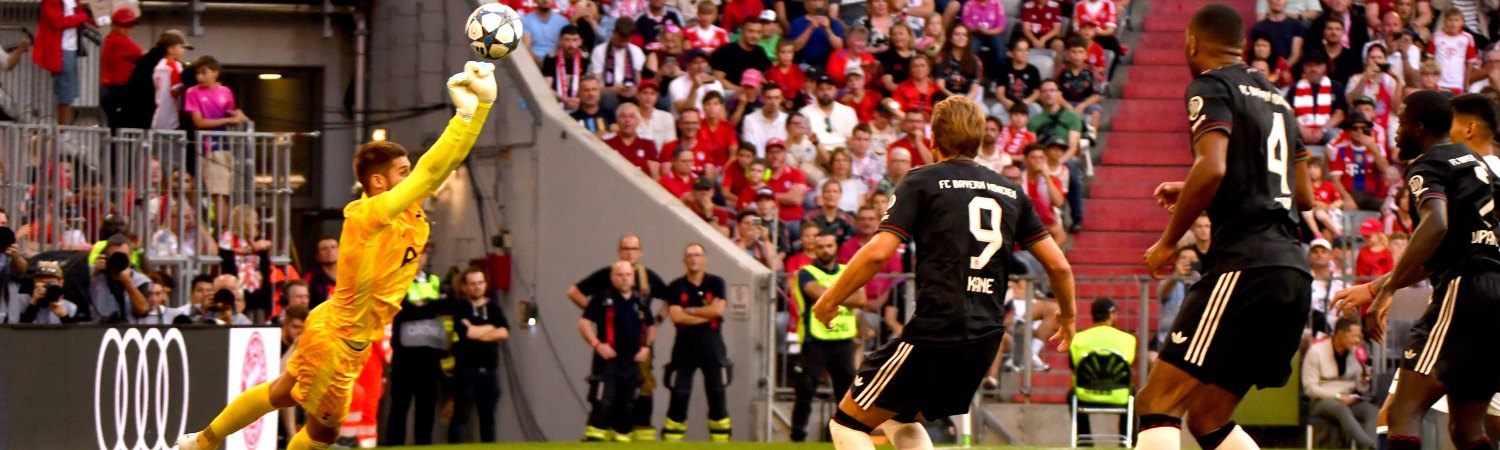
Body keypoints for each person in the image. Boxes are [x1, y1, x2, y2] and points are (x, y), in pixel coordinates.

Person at [174, 61, 495, 450]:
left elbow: (442, 166)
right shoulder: (369, 214)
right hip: (342, 340)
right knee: (319, 428)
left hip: (337, 323)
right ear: (378, 182)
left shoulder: (406, 210)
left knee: (284, 394)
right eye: (402, 171)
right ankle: (204, 442)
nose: (411, 178)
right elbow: (429, 172)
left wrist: (478, 109)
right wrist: (463, 116)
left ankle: (202, 442)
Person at [808, 96, 1077, 449]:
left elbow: (877, 253)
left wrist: (830, 299)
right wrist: (1068, 315)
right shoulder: (1011, 191)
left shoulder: (922, 181)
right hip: (986, 339)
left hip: (937, 330)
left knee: (847, 424)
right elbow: (1058, 265)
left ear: (933, 139)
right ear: (979, 140)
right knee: (898, 418)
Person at [1137, 6, 1315, 450]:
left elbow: (1212, 166)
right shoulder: (1278, 97)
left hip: (1245, 266)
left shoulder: (1210, 85)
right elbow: (1304, 195)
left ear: (1193, 43)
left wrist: (1166, 243)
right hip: (1291, 269)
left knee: (1156, 401)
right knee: (1208, 416)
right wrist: (1200, 186)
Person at [565, 235, 669, 439]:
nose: (630, 252)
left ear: (641, 252)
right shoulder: (605, 281)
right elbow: (574, 293)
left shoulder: (646, 281)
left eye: (634, 248)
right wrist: (597, 314)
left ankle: (636, 431)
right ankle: (599, 435)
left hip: (637, 353)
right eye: (625, 248)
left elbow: (668, 301)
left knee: (637, 393)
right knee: (604, 398)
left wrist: (656, 323)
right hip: (609, 354)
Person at [789, 232, 868, 442]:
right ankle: (797, 438)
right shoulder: (806, 272)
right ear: (815, 249)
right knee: (805, 391)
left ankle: (846, 439)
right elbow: (819, 294)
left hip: (843, 340)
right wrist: (843, 295)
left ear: (836, 247)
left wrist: (832, 296)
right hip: (815, 340)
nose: (826, 250)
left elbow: (861, 299)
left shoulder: (845, 270)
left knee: (846, 396)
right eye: (821, 246)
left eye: (829, 246)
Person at [660, 243, 732, 442]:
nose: (693, 259)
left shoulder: (717, 282)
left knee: (717, 395)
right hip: (684, 346)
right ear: (684, 260)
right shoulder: (676, 285)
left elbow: (718, 311)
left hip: (713, 345)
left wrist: (689, 310)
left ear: (704, 258)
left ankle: (720, 443)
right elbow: (676, 317)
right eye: (690, 255)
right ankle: (672, 442)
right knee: (679, 395)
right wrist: (706, 315)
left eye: (697, 255)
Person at [580, 261, 656, 442]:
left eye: (628, 275)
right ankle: (594, 440)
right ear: (612, 277)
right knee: (603, 403)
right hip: (608, 362)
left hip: (632, 363)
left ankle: (622, 438)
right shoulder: (602, 298)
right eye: (620, 275)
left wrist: (647, 347)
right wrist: (597, 345)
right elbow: (584, 324)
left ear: (633, 277)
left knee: (628, 405)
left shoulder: (640, 300)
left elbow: (651, 326)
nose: (624, 279)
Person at [383, 246, 448, 446]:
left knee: (426, 406)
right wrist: (431, 306)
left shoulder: (435, 281)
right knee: (400, 405)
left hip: (429, 356)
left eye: (420, 254)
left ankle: (423, 444)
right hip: (405, 356)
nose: (417, 259)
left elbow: (447, 304)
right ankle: (394, 444)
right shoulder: (397, 284)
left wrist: (422, 307)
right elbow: (403, 311)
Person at [449, 268, 509, 443]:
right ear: (465, 287)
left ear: (486, 284)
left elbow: (504, 332)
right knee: (461, 415)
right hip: (466, 370)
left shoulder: (493, 307)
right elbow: (466, 333)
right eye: (472, 283)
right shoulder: (460, 307)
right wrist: (490, 328)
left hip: (490, 371)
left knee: (488, 417)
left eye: (480, 283)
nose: (477, 287)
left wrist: (478, 331)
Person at [1303, 316, 1378, 447]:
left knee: (1372, 412)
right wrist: (1338, 396)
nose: (1357, 340)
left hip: (1349, 398)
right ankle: (1370, 446)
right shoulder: (1316, 352)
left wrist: (1364, 380)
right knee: (1340, 408)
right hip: (1322, 400)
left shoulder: (1355, 353)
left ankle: (1368, 446)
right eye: (1353, 336)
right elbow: (1310, 388)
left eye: (1359, 336)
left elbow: (1360, 387)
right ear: (1340, 334)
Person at [1069, 298, 1136, 443]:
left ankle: (1084, 441)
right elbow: (1127, 365)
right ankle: (1128, 439)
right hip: (1119, 395)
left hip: (1085, 395)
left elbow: (1074, 366)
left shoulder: (1077, 339)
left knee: (1071, 393)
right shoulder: (1128, 339)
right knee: (1133, 392)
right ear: (1111, 315)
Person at [34, 0, 92, 125]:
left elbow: (80, 19)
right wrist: (83, 16)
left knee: (69, 94)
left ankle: (65, 131)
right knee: (65, 95)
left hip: (71, 48)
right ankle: (63, 133)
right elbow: (58, 22)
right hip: (60, 49)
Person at [1289, 52, 1348, 145]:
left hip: (1327, 130)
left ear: (1324, 67)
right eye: (1309, 66)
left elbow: (1340, 114)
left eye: (1317, 65)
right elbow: (1289, 113)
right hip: (1301, 131)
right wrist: (1302, 130)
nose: (1313, 69)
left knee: (1336, 134)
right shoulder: (1294, 88)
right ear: (1304, 68)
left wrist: (1322, 130)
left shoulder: (1336, 86)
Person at [100, 9, 142, 129]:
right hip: (117, 91)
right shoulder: (119, 41)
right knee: (121, 129)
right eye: (124, 25)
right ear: (114, 25)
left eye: (130, 25)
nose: (128, 29)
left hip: (112, 91)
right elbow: (143, 55)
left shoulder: (112, 39)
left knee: (116, 129)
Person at [800, 74, 860, 150]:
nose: (826, 93)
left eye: (829, 89)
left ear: (835, 91)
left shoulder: (848, 112)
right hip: (815, 153)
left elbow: (852, 138)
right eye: (821, 89)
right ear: (816, 91)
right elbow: (803, 139)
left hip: (843, 155)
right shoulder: (805, 112)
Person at [1427, 7, 1477, 94]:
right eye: (1450, 20)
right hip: (1439, 82)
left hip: (1457, 83)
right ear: (1445, 21)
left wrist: (1466, 83)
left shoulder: (1467, 38)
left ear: (1462, 22)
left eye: (1457, 20)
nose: (1453, 24)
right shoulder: (1436, 37)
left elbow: (1470, 63)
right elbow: (1430, 60)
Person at [543, 25, 590, 111]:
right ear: (560, 41)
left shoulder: (585, 59)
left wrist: (579, 100)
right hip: (556, 102)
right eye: (567, 40)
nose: (571, 44)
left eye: (575, 40)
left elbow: (588, 85)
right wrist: (564, 99)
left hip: (579, 103)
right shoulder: (551, 58)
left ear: (580, 42)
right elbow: (546, 87)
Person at [605, 103, 659, 177]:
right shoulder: (607, 142)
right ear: (617, 120)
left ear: (638, 121)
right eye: (623, 116)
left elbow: (655, 176)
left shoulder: (648, 143)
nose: (627, 120)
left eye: (632, 116)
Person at [788, 0, 844, 65]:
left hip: (827, 65)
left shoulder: (833, 23)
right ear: (807, 3)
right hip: (804, 64)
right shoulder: (797, 22)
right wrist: (810, 28)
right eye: (813, 1)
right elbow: (795, 48)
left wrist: (828, 30)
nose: (817, 4)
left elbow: (839, 48)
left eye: (820, 0)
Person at [742, 84, 789, 152]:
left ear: (781, 99)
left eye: (776, 98)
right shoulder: (750, 119)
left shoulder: (788, 120)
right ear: (762, 98)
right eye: (769, 98)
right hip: (758, 161)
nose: (773, 102)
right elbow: (750, 149)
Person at [304, 237, 337, 309]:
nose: (330, 251)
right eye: (324, 249)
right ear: (317, 256)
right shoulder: (311, 278)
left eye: (333, 247)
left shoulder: (350, 275)